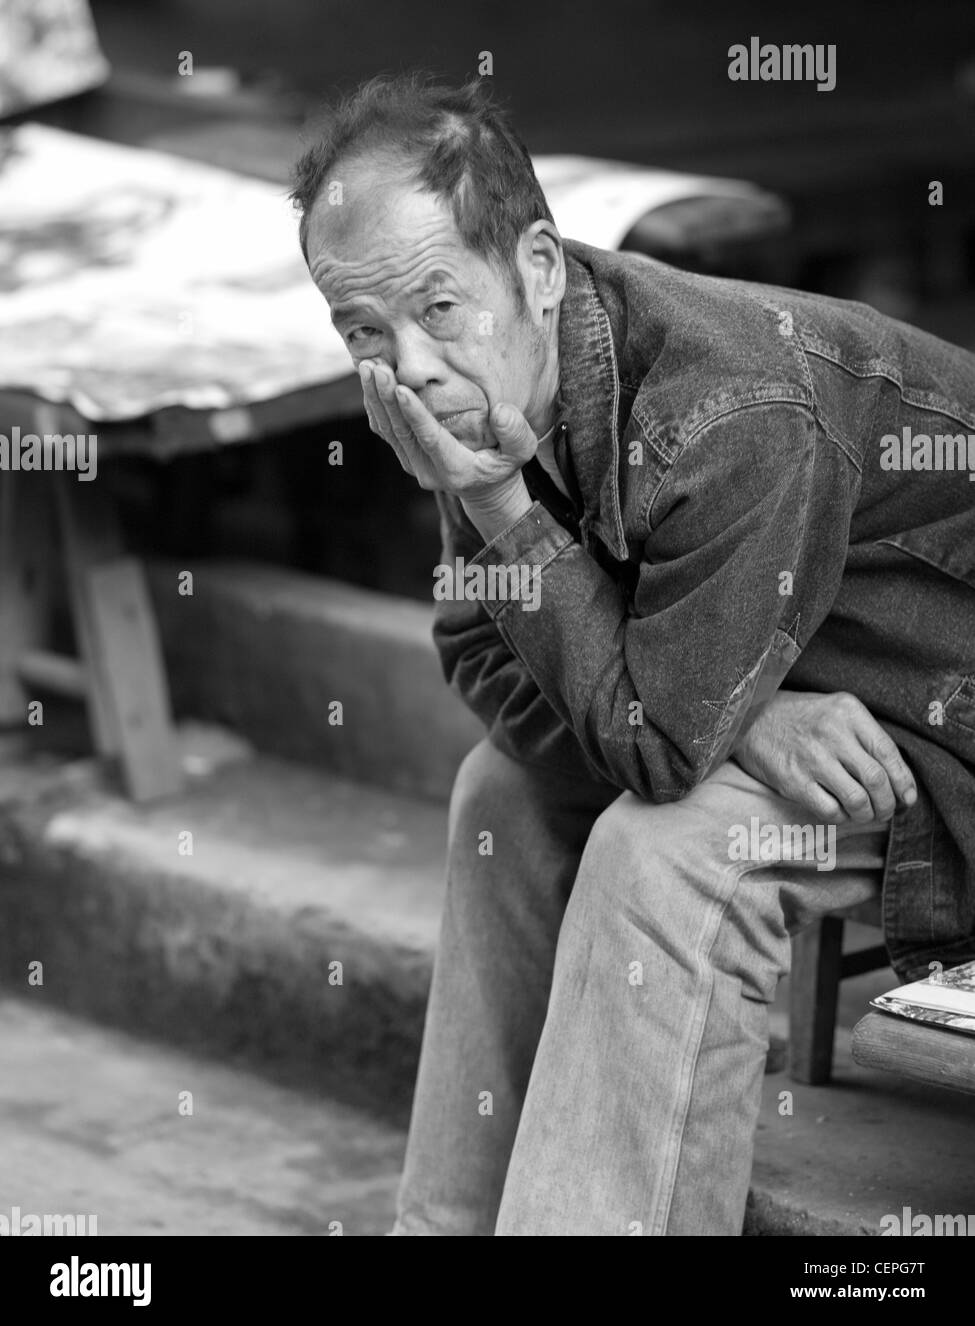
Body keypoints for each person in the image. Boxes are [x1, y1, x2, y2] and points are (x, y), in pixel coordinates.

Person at [290, 73, 975, 1236]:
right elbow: (484, 653)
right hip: (817, 707)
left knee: (670, 849)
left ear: (540, 271)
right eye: (365, 329)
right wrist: (740, 706)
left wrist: (698, 693)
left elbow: (658, 749)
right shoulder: (489, 391)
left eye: (437, 309)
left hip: (936, 729)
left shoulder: (732, 409)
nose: (406, 366)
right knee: (499, 791)